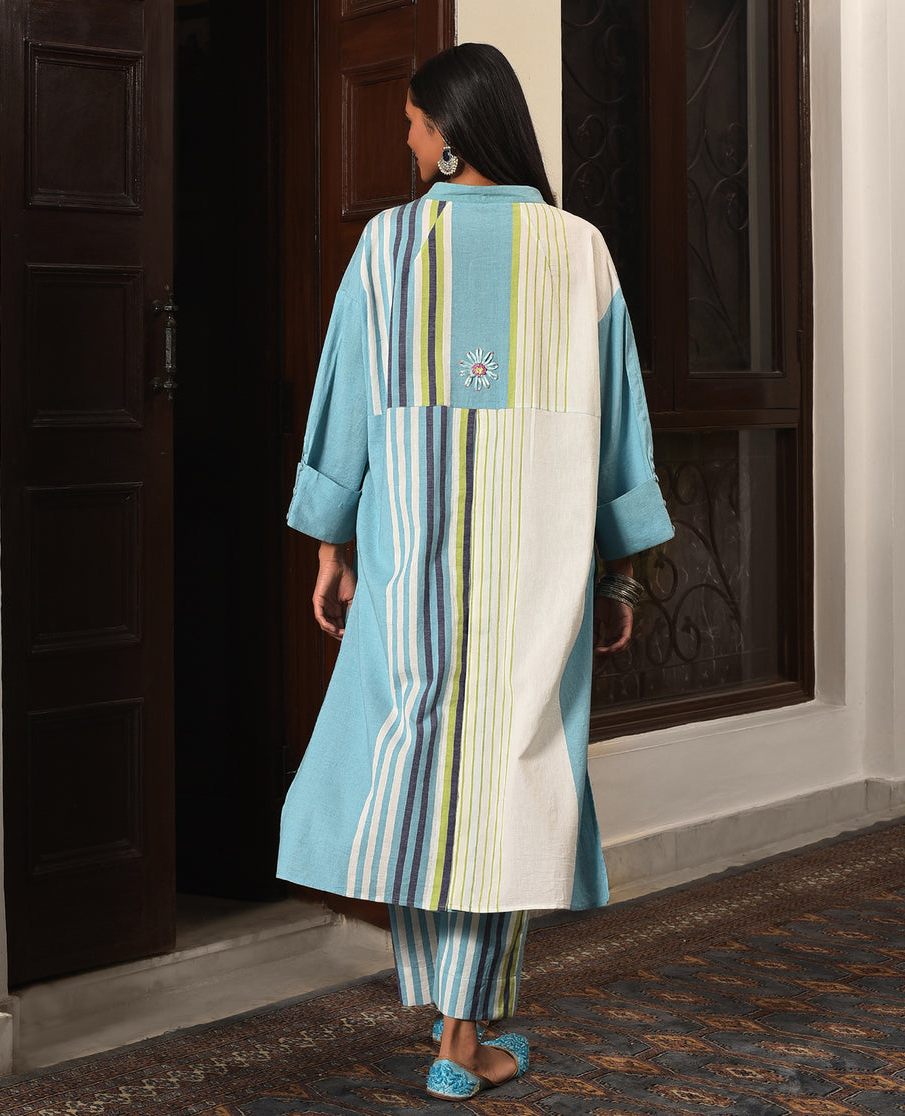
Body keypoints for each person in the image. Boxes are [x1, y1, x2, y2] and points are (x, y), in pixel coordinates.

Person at [279, 42, 673, 1101]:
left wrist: (330, 542)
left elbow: (344, 401)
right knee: (507, 778)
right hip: (540, 570)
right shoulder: (580, 250)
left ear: (450, 135)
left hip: (408, 564)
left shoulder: (386, 247)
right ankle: (461, 1034)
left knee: (421, 774)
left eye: (413, 127)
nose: (408, 146)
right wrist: (621, 575)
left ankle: (456, 1031)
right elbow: (621, 431)